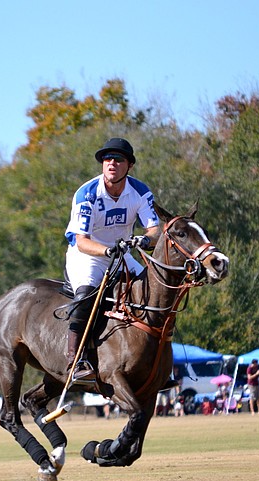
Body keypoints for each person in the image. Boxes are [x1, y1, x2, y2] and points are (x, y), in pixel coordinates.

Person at [63, 138, 161, 382]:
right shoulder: (87, 194)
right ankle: (76, 360)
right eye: (107, 159)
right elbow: (81, 240)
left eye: (118, 159)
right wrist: (106, 252)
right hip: (88, 256)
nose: (111, 163)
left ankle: (155, 361)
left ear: (129, 165)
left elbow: (155, 231)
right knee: (85, 296)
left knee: (154, 294)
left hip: (123, 253)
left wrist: (144, 241)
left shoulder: (139, 191)